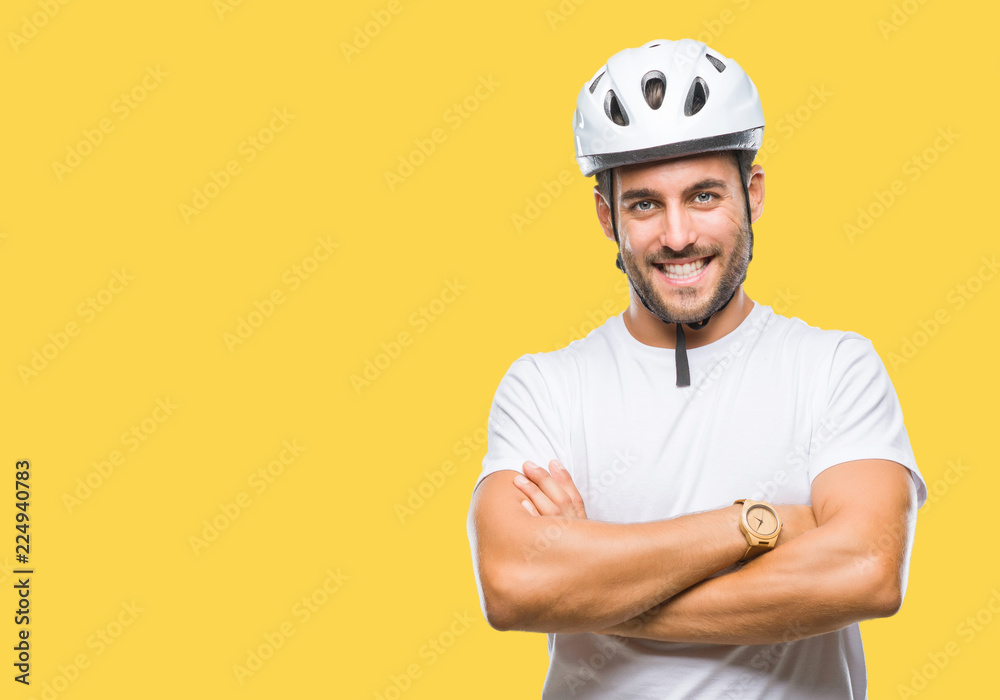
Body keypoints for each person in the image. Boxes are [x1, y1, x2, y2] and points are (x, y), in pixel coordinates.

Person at [466, 38, 926, 699]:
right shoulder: (545, 388)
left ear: (753, 193)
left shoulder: (834, 368)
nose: (678, 235)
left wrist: (596, 583)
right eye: (645, 204)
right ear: (607, 216)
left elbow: (867, 573)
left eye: (704, 195)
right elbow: (514, 587)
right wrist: (758, 524)